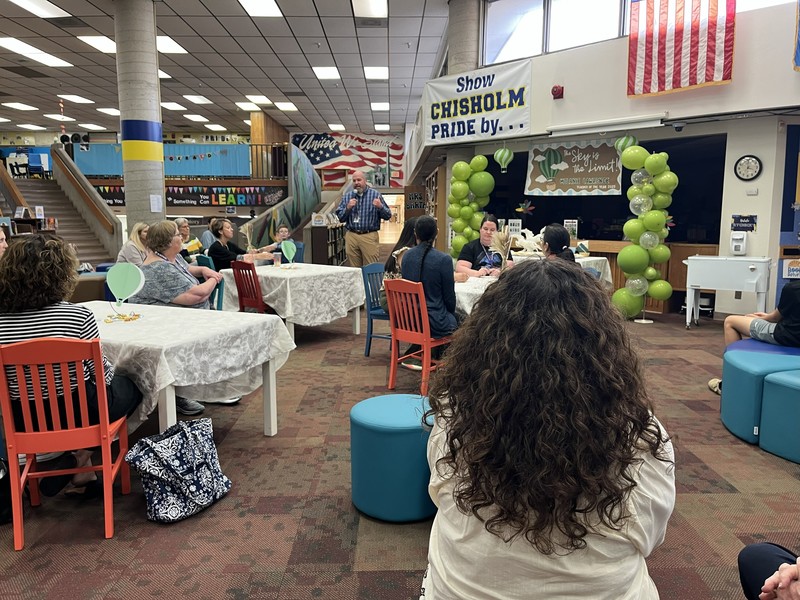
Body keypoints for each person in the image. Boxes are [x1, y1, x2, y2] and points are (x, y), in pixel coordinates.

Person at [421, 259, 675, 600]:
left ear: (483, 340)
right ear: (604, 346)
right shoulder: (637, 432)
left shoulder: (456, 413)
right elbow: (651, 537)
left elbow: (439, 492)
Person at [0, 234, 143, 496]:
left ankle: (81, 468)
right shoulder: (76, 316)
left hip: (21, 418)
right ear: (60, 273)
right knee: (133, 387)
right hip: (80, 414)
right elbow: (103, 377)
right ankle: (79, 457)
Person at [708, 280, 800, 395]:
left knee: (730, 321)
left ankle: (731, 383)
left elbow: (775, 318)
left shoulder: (793, 287)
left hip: (787, 337)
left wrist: (760, 318)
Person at [400, 216, 458, 340]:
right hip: (435, 322)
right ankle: (441, 355)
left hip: (408, 321)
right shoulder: (443, 259)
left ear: (415, 233)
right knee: (462, 320)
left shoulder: (406, 257)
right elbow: (449, 299)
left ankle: (421, 352)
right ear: (436, 233)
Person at [334, 170, 392, 267]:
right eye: (354, 180)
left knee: (371, 267)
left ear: (365, 181)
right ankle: (359, 283)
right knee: (355, 269)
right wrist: (347, 208)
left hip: (369, 235)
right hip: (351, 235)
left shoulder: (375, 195)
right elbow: (341, 218)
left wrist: (380, 207)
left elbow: (388, 215)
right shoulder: (347, 196)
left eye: (359, 180)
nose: (356, 183)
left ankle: (372, 283)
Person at [207, 218, 273, 272]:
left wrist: (260, 250)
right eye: (228, 228)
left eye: (231, 227)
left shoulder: (228, 244)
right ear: (220, 231)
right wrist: (260, 256)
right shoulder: (216, 248)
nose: (232, 229)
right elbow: (239, 258)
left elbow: (244, 253)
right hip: (224, 279)